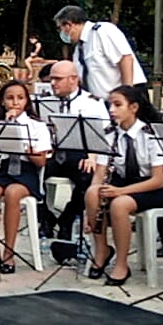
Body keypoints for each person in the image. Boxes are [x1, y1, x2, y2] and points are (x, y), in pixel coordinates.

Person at [83, 85, 163, 286]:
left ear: (133, 107)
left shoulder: (152, 134)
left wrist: (119, 192)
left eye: (117, 105)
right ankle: (102, 250)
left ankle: (122, 264)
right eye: (110, 105)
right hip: (122, 183)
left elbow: (157, 180)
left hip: (151, 187)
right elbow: (100, 173)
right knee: (91, 193)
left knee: (120, 204)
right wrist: (93, 206)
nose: (111, 110)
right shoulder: (109, 134)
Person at [0, 80, 52, 274]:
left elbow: (41, 162)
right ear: (2, 102)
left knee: (12, 193)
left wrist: (24, 141)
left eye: (20, 98)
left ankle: (9, 253)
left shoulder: (37, 126)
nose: (15, 103)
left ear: (27, 101)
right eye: (10, 98)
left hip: (26, 172)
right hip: (3, 170)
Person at [37, 61, 109, 240]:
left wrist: (93, 156)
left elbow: (104, 134)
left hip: (79, 153)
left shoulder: (92, 103)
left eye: (58, 79)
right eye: (52, 79)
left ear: (73, 79)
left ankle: (67, 219)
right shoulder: (44, 101)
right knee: (29, 175)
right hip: (52, 153)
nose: (53, 83)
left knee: (87, 178)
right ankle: (45, 218)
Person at [54, 5, 146, 97]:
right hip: (103, 102)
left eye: (59, 28)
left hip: (128, 95)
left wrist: (127, 94)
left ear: (69, 25)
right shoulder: (79, 50)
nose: (60, 33)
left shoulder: (102, 31)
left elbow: (125, 58)